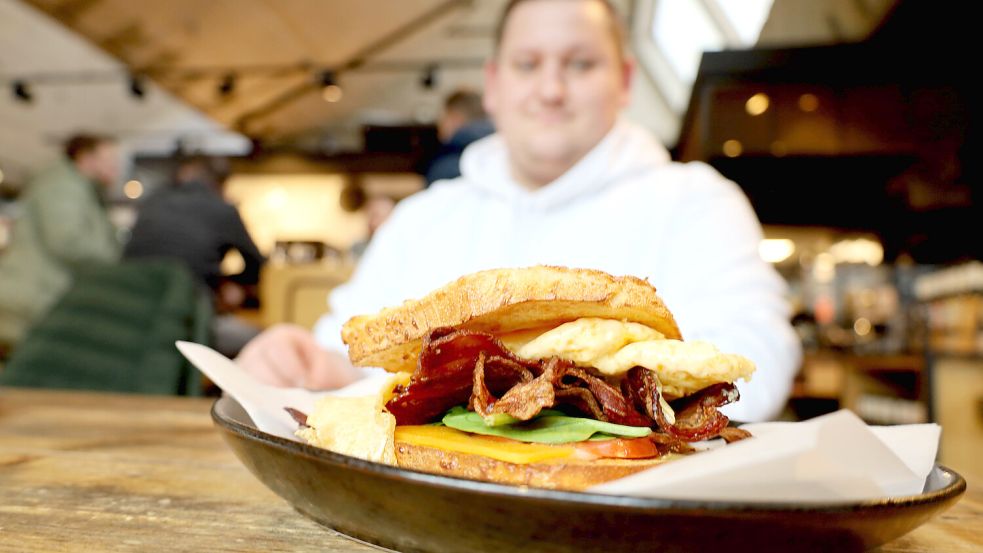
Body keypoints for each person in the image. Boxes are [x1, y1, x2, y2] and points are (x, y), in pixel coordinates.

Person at [237, 0, 802, 421]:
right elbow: (350, 353)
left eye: (580, 64)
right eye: (528, 64)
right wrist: (305, 364)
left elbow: (758, 365)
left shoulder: (698, 201)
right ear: (494, 84)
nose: (551, 89)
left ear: (625, 80)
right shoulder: (426, 215)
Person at [124, 155, 265, 356]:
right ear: (220, 184)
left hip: (134, 316)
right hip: (190, 319)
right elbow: (257, 264)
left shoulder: (152, 203)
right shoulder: (223, 210)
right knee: (265, 341)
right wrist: (231, 285)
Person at [0, 133, 122, 350]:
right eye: (109, 158)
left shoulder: (79, 189)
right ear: (85, 158)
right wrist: (114, 258)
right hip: (33, 298)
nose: (115, 165)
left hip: (38, 296)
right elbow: (67, 241)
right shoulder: (62, 186)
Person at [423, 89, 495, 186]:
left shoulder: (445, 168)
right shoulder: (502, 155)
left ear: (454, 118)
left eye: (443, 117)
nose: (439, 124)